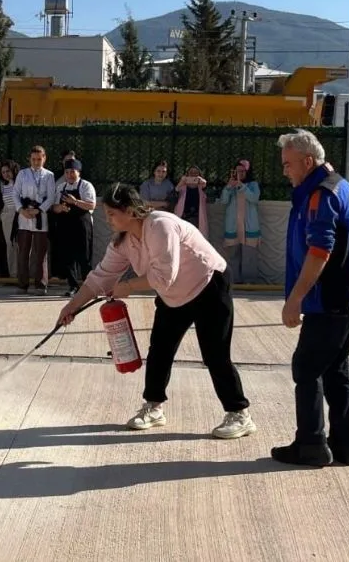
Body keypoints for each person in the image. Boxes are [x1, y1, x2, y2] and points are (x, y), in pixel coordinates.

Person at [57, 184, 255, 439]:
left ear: (129, 211)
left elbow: (164, 276)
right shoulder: (123, 241)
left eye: (112, 214)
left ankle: (239, 414)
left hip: (209, 285)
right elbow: (100, 278)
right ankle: (153, 407)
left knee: (215, 354)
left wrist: (127, 286)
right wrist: (71, 307)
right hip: (174, 296)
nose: (108, 220)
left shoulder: (160, 225)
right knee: (160, 349)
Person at [274, 129, 349, 468]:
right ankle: (344, 446)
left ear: (307, 161)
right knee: (335, 370)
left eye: (288, 165)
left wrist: (295, 299)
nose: (284, 171)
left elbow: (320, 251)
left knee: (306, 367)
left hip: (331, 299)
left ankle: (311, 445)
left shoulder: (321, 195)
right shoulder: (341, 185)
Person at [13, 145, 56, 295]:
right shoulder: (22, 174)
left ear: (44, 159)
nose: (36, 162)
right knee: (23, 252)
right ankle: (22, 284)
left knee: (40, 253)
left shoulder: (49, 175)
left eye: (39, 159)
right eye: (33, 159)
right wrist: (21, 210)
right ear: (29, 159)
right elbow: (15, 193)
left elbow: (51, 197)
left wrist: (39, 209)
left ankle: (40, 284)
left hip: (40, 216)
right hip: (24, 216)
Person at [50, 158, 96, 296]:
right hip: (65, 226)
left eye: (72, 172)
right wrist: (60, 208)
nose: (70, 175)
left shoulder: (86, 186)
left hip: (82, 225)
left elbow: (91, 205)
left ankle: (89, 287)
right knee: (67, 257)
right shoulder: (60, 187)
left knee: (84, 257)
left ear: (79, 172)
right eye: (67, 172)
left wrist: (74, 202)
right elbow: (53, 207)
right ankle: (73, 286)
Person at [219, 159, 262, 284]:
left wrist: (242, 187)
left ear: (247, 172)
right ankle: (234, 280)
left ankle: (250, 282)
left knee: (249, 255)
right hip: (233, 225)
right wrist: (228, 187)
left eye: (242, 171)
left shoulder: (253, 185)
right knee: (233, 254)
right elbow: (224, 201)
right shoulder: (230, 186)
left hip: (249, 226)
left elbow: (254, 199)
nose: (240, 174)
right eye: (237, 171)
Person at [0, 160, 21, 277]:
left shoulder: (20, 183)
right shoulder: (3, 186)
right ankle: (13, 274)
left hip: (20, 215)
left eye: (8, 171)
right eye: (3, 172)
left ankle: (24, 272)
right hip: (7, 217)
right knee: (10, 245)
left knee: (21, 245)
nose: (6, 174)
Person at [174, 165, 209, 233]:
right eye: (191, 172)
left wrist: (202, 182)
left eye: (196, 172)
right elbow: (176, 190)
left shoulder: (201, 186)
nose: (193, 174)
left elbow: (205, 186)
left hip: (197, 217)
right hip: (183, 216)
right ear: (187, 174)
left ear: (199, 175)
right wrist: (181, 181)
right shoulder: (183, 186)